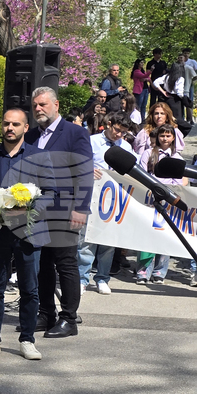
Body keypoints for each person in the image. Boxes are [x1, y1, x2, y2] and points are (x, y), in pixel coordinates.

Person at [0, 109, 52, 360]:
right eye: (6, 123)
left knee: (30, 288)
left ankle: (27, 340)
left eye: (16, 124)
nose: (10, 128)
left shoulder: (39, 156)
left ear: (26, 128)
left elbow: (51, 193)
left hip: (30, 232)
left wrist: (30, 212)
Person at [25, 87, 92, 339]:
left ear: (56, 105)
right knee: (42, 264)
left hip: (65, 210)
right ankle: (46, 313)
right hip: (37, 212)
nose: (38, 109)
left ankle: (69, 318)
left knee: (65, 264)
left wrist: (81, 208)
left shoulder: (75, 133)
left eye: (43, 104)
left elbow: (84, 173)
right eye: (35, 105)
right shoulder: (31, 136)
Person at [83, 112, 135, 295]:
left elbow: (134, 170)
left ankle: (102, 278)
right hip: (91, 196)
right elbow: (77, 162)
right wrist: (88, 169)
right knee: (86, 240)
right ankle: (82, 279)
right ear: (109, 124)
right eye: (117, 130)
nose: (118, 135)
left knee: (108, 242)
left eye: (123, 133)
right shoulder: (91, 141)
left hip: (113, 200)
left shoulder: (126, 147)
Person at [135, 125, 186, 284]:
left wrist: (171, 194)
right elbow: (142, 174)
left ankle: (159, 272)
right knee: (146, 236)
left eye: (168, 136)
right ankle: (143, 271)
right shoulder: (148, 153)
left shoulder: (177, 158)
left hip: (169, 200)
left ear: (173, 138)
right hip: (150, 198)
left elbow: (179, 181)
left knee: (165, 235)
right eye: (162, 135)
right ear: (157, 137)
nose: (165, 138)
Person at [152, 57, 187, 125]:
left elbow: (155, 82)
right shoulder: (180, 78)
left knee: (167, 117)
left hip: (166, 98)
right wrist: (184, 98)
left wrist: (163, 91)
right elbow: (179, 93)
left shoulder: (166, 76)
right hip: (176, 100)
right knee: (176, 119)